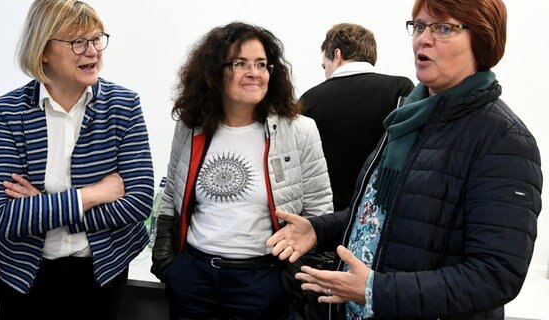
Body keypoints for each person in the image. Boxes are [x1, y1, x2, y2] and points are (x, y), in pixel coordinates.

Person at [267, 0, 543, 319]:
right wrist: (318, 229)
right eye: (420, 26)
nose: (423, 39)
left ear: (482, 39)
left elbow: (496, 275)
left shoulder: (503, 139)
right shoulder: (407, 120)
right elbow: (382, 214)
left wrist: (375, 290)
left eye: (443, 28)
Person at [0, 1, 154, 319]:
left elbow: (139, 202)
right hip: (25, 277)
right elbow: (7, 217)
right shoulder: (6, 112)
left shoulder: (123, 106)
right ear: (43, 50)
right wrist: (94, 195)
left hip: (101, 273)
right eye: (77, 42)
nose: (92, 52)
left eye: (96, 39)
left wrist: (46, 209)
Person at [150, 22, 333, 320]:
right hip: (194, 279)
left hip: (262, 281)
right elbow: (172, 195)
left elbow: (319, 210)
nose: (254, 73)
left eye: (261, 64)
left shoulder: (299, 130)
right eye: (240, 63)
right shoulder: (190, 126)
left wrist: (292, 278)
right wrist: (168, 267)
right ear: (214, 72)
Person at [300, 23, 414, 211]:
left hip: (327, 220)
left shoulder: (308, 100)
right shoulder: (400, 89)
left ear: (337, 55)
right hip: (382, 212)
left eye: (324, 66)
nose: (326, 73)